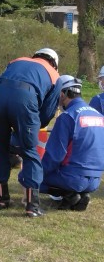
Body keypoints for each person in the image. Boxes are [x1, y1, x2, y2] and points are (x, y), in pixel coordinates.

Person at [0, 48, 61, 218]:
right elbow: (47, 112)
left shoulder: (17, 60)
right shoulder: (54, 75)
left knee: (1, 147)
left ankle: (2, 199)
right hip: (24, 99)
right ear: (54, 63)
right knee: (29, 151)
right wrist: (31, 129)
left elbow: (2, 81)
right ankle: (32, 206)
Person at [40, 75, 104, 211]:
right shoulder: (99, 116)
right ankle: (79, 194)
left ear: (62, 94)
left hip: (72, 178)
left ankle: (69, 194)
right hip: (95, 181)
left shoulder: (67, 117)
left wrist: (36, 173)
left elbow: (54, 156)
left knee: (27, 178)